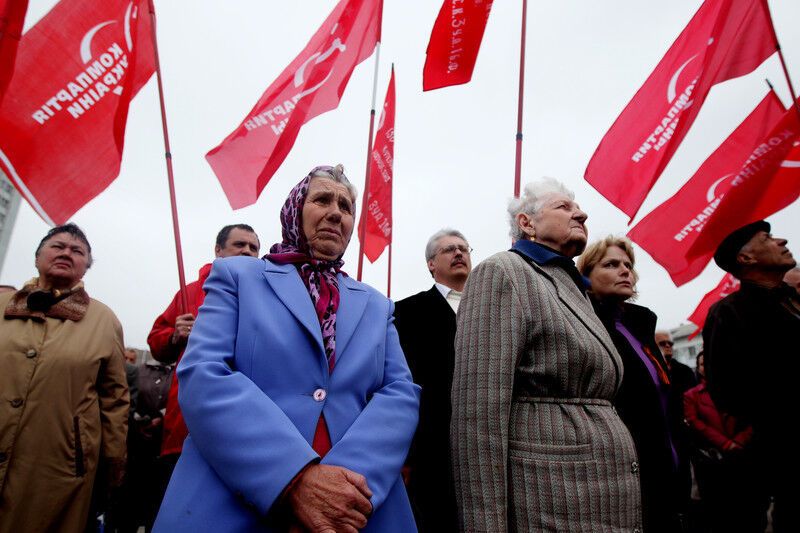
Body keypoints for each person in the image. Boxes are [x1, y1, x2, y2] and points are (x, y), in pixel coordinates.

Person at [154, 165, 420, 532]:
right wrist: (294, 479)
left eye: (345, 207)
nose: (335, 212)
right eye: (322, 199)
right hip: (236, 497)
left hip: (355, 507)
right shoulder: (238, 277)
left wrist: (345, 487)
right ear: (295, 209)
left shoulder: (377, 306)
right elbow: (204, 373)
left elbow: (400, 393)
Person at [452, 178, 642, 532]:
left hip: (600, 498)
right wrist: (485, 525)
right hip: (550, 501)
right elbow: (477, 415)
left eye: (578, 207)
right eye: (564, 207)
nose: (581, 213)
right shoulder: (503, 273)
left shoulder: (574, 288)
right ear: (527, 223)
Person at [0, 223, 128, 532]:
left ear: (86, 266)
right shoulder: (3, 306)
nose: (66, 253)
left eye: (77, 251)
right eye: (57, 246)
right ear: (37, 257)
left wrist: (113, 465)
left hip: (60, 466)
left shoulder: (103, 320)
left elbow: (115, 400)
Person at [578, 236, 687, 532]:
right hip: (623, 468)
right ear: (585, 276)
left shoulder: (641, 325)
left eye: (628, 265)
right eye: (611, 264)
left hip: (668, 461)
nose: (625, 271)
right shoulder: (586, 327)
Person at [703, 220, 799, 532]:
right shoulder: (729, 313)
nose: (782, 240)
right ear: (746, 259)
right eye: (768, 238)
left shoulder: (792, 302)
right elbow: (726, 391)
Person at [147, 224, 260, 470]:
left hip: (245, 424)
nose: (247, 252)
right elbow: (156, 341)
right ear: (218, 250)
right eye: (239, 245)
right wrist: (174, 337)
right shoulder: (190, 293)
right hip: (186, 422)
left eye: (253, 248)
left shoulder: (268, 297)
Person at [393, 228, 472, 532]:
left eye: (464, 248)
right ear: (431, 264)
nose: (458, 253)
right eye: (449, 249)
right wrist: (404, 453)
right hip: (431, 446)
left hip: (489, 442)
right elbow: (402, 382)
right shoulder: (406, 312)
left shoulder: (495, 308)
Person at [683, 351, 768, 532]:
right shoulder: (692, 395)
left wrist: (739, 441)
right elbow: (696, 423)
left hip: (743, 457)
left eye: (710, 362)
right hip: (715, 463)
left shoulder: (739, 389)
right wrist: (725, 443)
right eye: (702, 364)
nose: (707, 367)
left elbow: (754, 417)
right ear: (698, 369)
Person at [655, 330, 697, 397]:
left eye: (670, 343)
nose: (668, 345)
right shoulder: (652, 370)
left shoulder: (685, 371)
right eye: (662, 343)